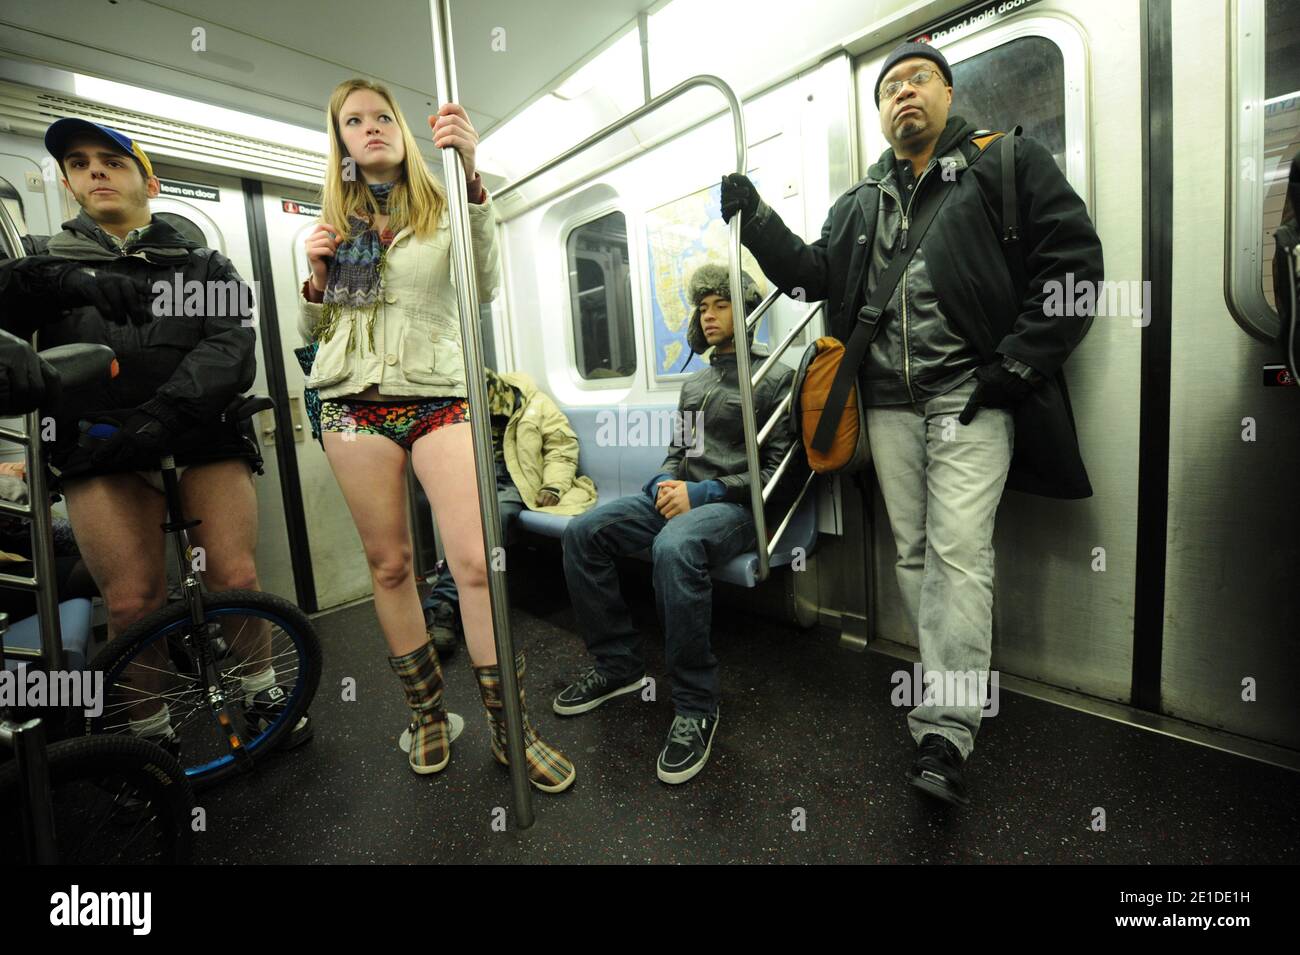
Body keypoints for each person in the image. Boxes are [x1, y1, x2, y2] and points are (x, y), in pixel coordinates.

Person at [722, 42, 1104, 806]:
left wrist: (1014, 368)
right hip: (888, 403)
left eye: (918, 80)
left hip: (967, 395)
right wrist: (757, 219)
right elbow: (811, 274)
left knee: (960, 554)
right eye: (890, 87)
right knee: (918, 554)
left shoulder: (1004, 165)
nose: (904, 94)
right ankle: (946, 693)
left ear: (949, 93)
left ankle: (946, 727)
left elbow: (1075, 266)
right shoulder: (861, 201)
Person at [297, 78, 575, 791]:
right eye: (353, 121)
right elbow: (329, 335)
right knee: (390, 565)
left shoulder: (445, 206)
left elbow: (481, 285)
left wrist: (475, 177)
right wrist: (318, 279)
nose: (371, 128)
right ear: (343, 143)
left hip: (438, 396)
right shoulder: (344, 227)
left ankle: (511, 724)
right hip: (352, 404)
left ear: (404, 129)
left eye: (382, 116)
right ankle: (426, 713)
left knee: (476, 561)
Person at [0, 118, 309, 751]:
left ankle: (260, 687)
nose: (95, 171)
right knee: (135, 600)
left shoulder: (199, 265)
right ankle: (149, 734)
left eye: (112, 160)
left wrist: (165, 413)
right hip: (99, 450)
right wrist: (63, 281)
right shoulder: (43, 262)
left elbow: (231, 347)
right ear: (67, 183)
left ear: (149, 179)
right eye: (80, 164)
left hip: (199, 438)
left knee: (233, 575)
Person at [554, 263, 795, 784]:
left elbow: (781, 472)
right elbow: (679, 452)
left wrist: (707, 491)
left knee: (673, 546)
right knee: (584, 533)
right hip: (684, 497)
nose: (708, 315)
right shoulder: (696, 384)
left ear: (746, 309)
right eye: (702, 307)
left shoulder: (776, 376)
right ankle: (617, 665)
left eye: (720, 304)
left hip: (735, 509)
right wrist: (662, 482)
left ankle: (695, 703)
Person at [423, 367, 597, 652]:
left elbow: (562, 447)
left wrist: (552, 486)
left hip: (514, 483)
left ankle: (443, 606)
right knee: (460, 520)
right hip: (476, 481)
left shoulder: (537, 404)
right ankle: (461, 597)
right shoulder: (466, 412)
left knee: (489, 521)